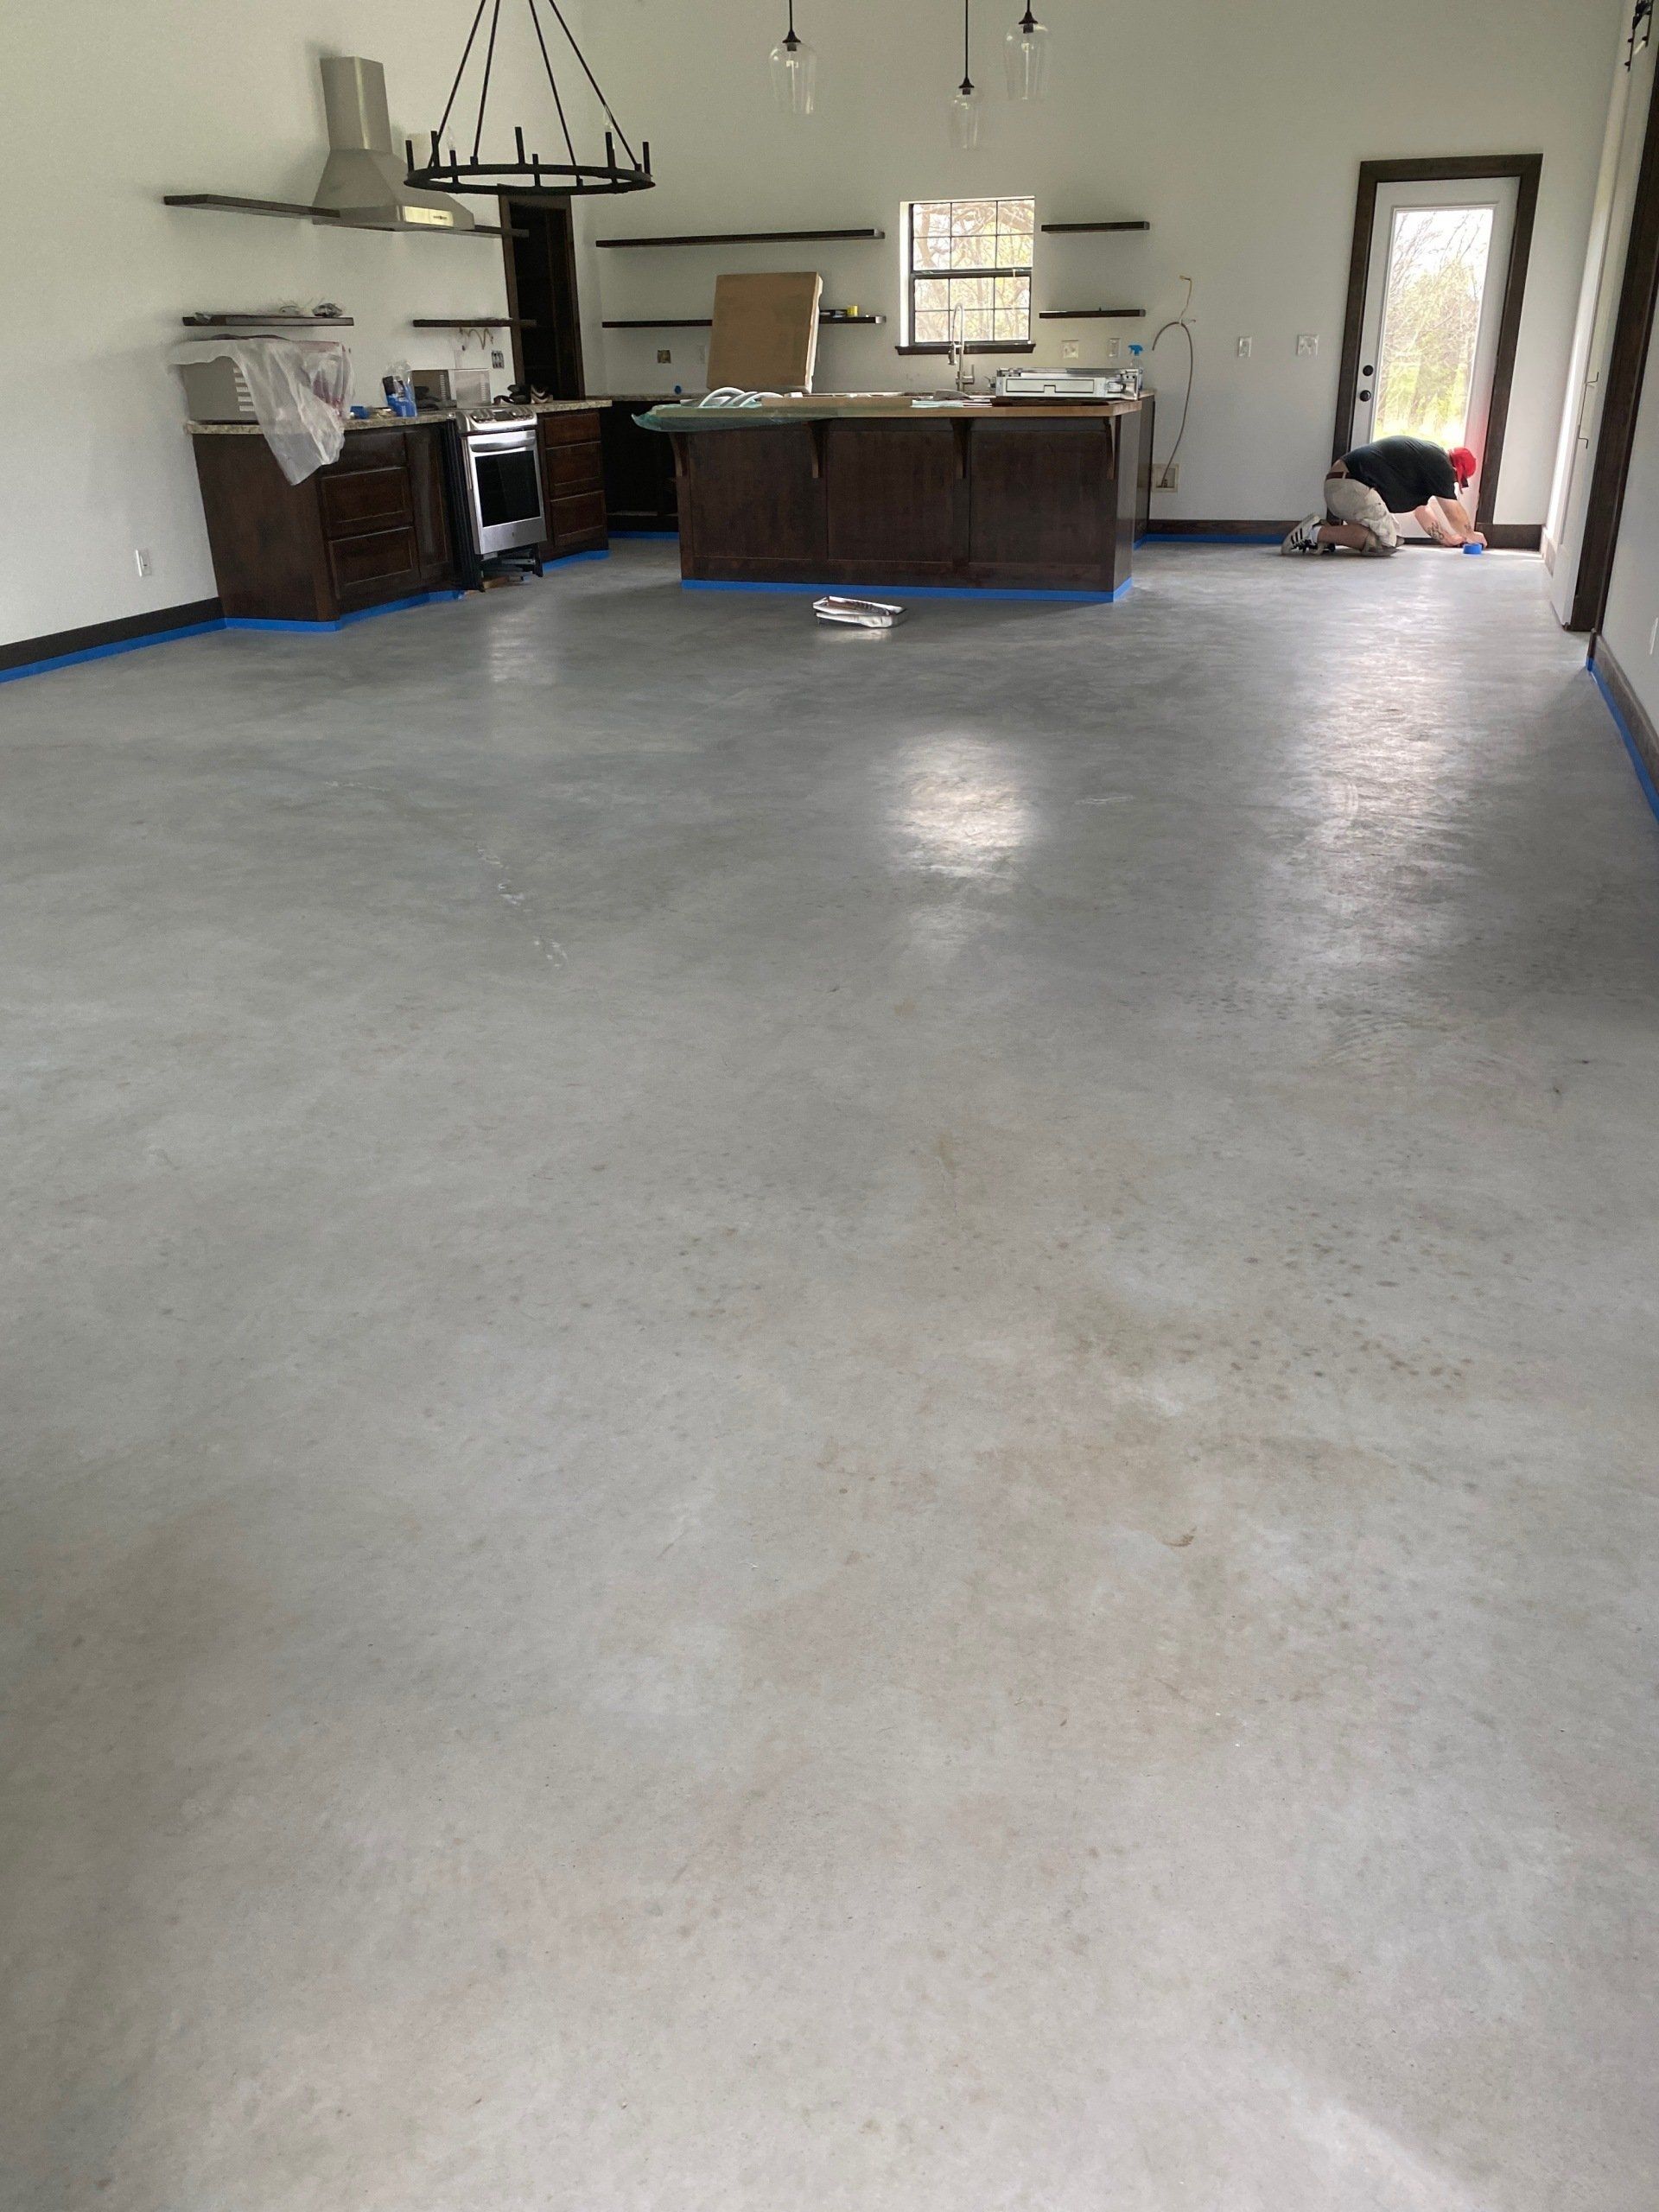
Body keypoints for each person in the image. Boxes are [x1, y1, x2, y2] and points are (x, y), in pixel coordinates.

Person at [1281, 437, 1485, 556]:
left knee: (1387, 538)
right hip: (1351, 485)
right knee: (1386, 540)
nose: (1453, 483)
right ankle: (1314, 533)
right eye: (1456, 479)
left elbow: (1423, 512)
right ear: (1454, 468)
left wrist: (1448, 539)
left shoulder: (1425, 464)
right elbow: (1452, 511)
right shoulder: (1440, 463)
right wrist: (1471, 534)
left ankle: (1323, 535)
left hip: (1343, 486)